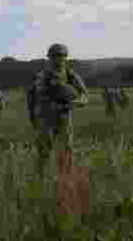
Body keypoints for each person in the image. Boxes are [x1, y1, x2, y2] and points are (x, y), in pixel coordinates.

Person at [28, 43, 88, 174]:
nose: (58, 59)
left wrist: (77, 102)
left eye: (61, 56)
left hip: (64, 116)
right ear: (49, 58)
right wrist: (35, 115)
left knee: (67, 148)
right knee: (44, 149)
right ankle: (41, 175)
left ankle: (66, 176)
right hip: (46, 116)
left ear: (65, 57)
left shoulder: (70, 74)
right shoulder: (43, 75)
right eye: (55, 56)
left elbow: (84, 95)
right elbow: (37, 94)